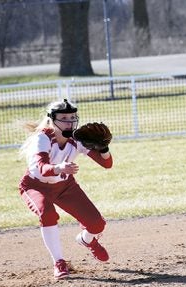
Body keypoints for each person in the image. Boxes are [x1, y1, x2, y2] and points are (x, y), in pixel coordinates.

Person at [18, 99, 113, 279]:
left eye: (72, 117)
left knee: (97, 224)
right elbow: (40, 167)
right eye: (64, 118)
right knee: (47, 214)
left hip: (65, 186)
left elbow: (106, 164)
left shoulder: (77, 139)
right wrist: (59, 168)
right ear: (52, 119)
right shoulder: (43, 138)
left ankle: (87, 240)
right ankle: (59, 262)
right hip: (35, 186)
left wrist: (104, 148)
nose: (70, 122)